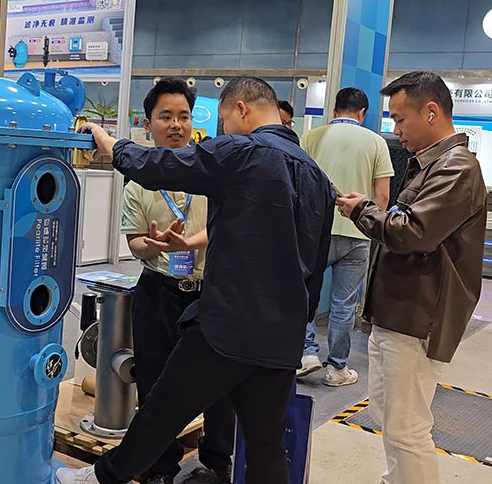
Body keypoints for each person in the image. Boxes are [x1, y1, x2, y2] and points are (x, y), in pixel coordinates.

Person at [58, 76, 334, 484]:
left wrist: (110, 143)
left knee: (161, 410)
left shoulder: (243, 152)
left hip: (227, 324)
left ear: (241, 109)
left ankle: (101, 478)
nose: (224, 129)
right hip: (281, 334)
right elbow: (317, 261)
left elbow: (160, 167)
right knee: (265, 442)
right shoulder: (316, 175)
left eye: (223, 120)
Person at [336, 71, 486, 484]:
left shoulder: (457, 168)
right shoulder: (429, 165)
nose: (396, 130)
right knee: (389, 416)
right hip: (397, 314)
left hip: (418, 318)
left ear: (431, 112)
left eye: (400, 119)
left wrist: (362, 210)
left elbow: (413, 233)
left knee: (407, 428)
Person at [120, 78, 234, 484]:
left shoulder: (212, 172)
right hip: (159, 293)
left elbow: (225, 228)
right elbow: (135, 243)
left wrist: (188, 243)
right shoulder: (138, 182)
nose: (176, 125)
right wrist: (152, 246)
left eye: (183, 116)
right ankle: (162, 467)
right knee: (155, 384)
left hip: (210, 292)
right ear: (147, 123)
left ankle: (217, 462)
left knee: (220, 385)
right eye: (165, 116)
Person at [297, 87, 394, 386]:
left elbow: (298, 183)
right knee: (344, 304)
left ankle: (305, 354)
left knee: (304, 294)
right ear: (362, 112)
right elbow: (382, 196)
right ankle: (337, 368)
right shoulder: (376, 142)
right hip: (357, 233)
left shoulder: (311, 137)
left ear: (334, 109)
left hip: (315, 233)